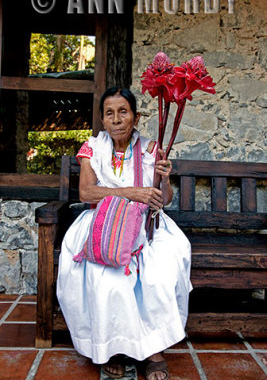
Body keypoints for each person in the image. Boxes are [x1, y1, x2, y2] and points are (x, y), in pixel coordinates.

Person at [57, 87, 192, 380]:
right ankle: (114, 348)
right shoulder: (92, 148)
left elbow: (163, 199)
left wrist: (163, 181)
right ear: (102, 120)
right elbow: (86, 191)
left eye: (123, 112)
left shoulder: (151, 148)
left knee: (158, 274)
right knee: (106, 278)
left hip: (145, 223)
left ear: (136, 116)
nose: (116, 119)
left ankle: (153, 351)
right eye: (109, 113)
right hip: (103, 221)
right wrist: (133, 193)